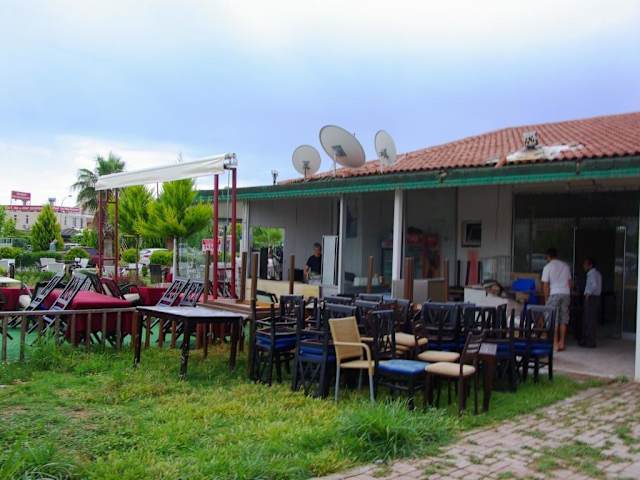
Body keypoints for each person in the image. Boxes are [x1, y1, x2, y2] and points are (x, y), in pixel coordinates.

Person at [541, 247, 572, 351]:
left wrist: (546, 298)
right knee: (563, 318)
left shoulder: (548, 267)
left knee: (553, 318)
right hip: (566, 293)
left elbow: (545, 285)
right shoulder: (566, 266)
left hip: (554, 293)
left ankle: (554, 343)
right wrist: (567, 291)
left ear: (548, 256)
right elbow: (570, 282)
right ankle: (562, 342)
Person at [580, 257, 602, 348]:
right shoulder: (598, 273)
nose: (584, 266)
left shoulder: (591, 273)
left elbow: (594, 285)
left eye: (585, 264)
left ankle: (589, 341)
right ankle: (589, 340)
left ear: (590, 265)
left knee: (589, 319)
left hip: (591, 298)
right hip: (596, 297)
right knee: (591, 319)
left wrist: (588, 294)